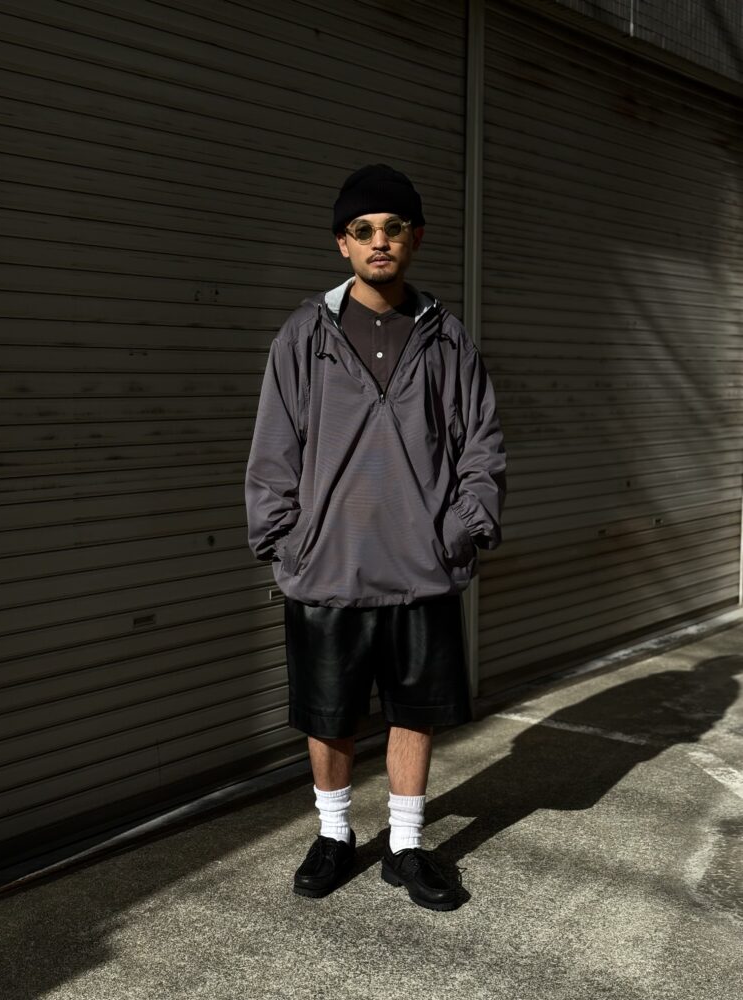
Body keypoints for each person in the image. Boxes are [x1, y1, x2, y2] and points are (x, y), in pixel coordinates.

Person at [245, 164, 507, 911]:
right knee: (328, 713)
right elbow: (273, 448)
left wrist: (461, 531)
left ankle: (406, 846)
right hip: (326, 566)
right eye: (363, 230)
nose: (379, 241)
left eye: (393, 228)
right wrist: (287, 540)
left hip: (421, 565)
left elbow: (481, 444)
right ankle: (334, 835)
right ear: (343, 244)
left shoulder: (447, 338)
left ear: (415, 237)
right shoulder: (304, 335)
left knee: (414, 711)